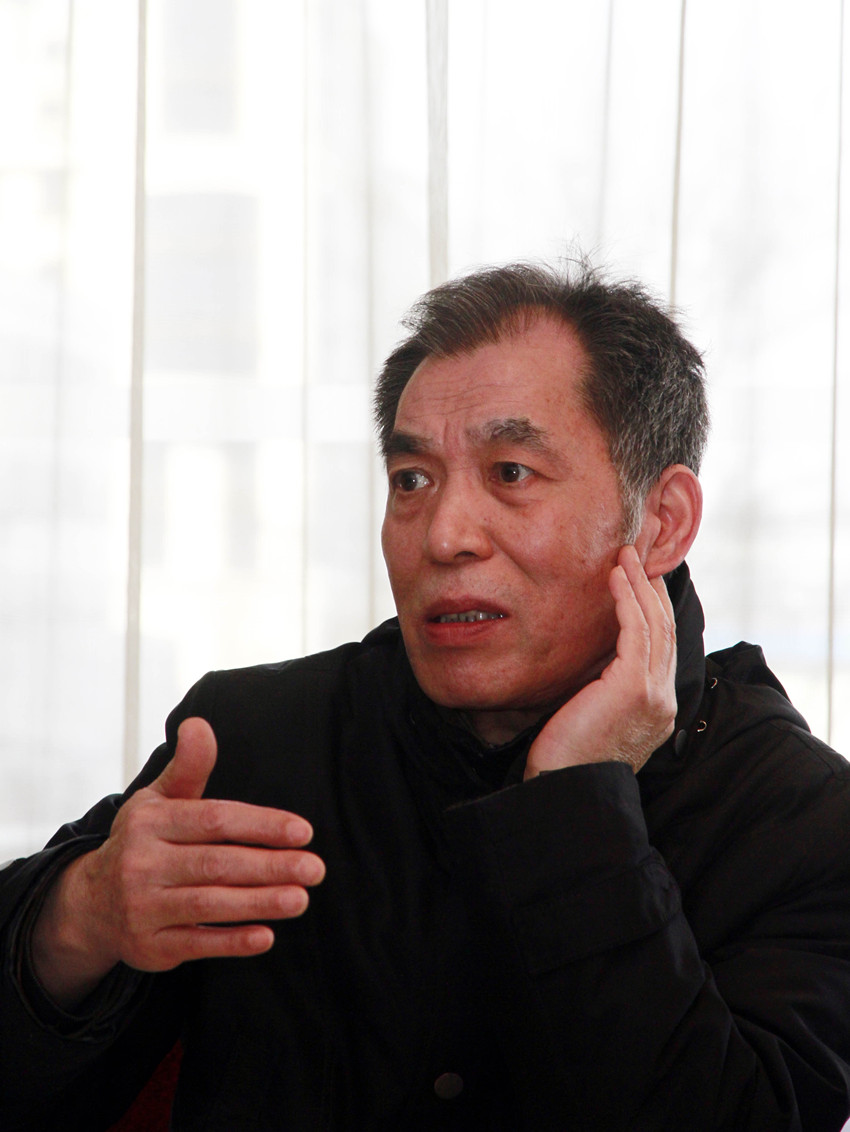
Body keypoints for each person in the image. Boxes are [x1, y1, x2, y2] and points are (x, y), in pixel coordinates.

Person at [2, 260, 850, 1131]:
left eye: (511, 472)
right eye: (412, 480)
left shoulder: (799, 818)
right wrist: (78, 920)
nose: (443, 536)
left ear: (662, 521)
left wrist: (576, 809)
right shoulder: (257, 743)